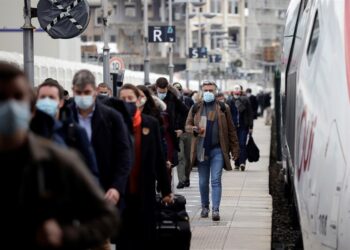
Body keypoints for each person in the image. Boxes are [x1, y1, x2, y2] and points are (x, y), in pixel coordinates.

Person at [0, 61, 119, 249]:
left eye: (17, 97)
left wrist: (65, 235)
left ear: (31, 109)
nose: (9, 106)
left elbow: (107, 217)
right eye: (1, 98)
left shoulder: (58, 159)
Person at [70, 70, 133, 250]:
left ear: (95, 92)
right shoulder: (66, 116)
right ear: (73, 91)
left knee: (99, 241)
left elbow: (124, 155)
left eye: (87, 93)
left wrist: (116, 186)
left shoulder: (112, 117)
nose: (83, 97)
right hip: (73, 192)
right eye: (79, 93)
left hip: (104, 191)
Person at [118, 84, 173, 250]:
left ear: (138, 101)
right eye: (123, 99)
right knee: (124, 239)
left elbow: (158, 158)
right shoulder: (115, 122)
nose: (127, 102)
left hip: (144, 190)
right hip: (121, 193)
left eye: (130, 98)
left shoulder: (150, 123)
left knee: (145, 237)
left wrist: (165, 191)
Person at [185, 80, 239, 221]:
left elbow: (231, 129)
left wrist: (235, 149)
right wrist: (194, 129)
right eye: (206, 90)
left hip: (217, 150)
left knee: (215, 180)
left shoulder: (223, 107)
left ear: (215, 91)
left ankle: (215, 210)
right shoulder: (196, 108)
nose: (208, 92)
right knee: (203, 181)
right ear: (202, 91)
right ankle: (205, 207)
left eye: (211, 90)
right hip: (201, 149)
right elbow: (187, 126)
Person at [30, 78, 99, 178]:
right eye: (43, 97)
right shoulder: (27, 131)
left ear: (61, 102)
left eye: (51, 97)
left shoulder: (75, 132)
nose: (47, 101)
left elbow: (91, 172)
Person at [155, 77, 189, 180]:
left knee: (168, 161)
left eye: (164, 91)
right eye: (160, 91)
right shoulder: (150, 99)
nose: (162, 94)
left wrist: (181, 128)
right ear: (156, 88)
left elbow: (185, 112)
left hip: (168, 134)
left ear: (167, 89)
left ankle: (165, 188)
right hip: (154, 134)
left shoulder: (172, 98)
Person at [172, 82, 194, 188]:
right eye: (174, 89)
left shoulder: (188, 101)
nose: (177, 91)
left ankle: (187, 177)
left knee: (188, 158)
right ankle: (181, 180)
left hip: (188, 132)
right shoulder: (169, 102)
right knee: (180, 157)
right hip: (176, 133)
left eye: (178, 89)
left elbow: (192, 115)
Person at [228, 85, 254, 171]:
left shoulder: (245, 100)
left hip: (243, 126)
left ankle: (242, 162)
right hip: (233, 127)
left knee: (242, 144)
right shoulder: (230, 101)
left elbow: (250, 113)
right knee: (235, 145)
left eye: (238, 90)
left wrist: (251, 126)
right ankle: (236, 163)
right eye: (235, 90)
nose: (236, 92)